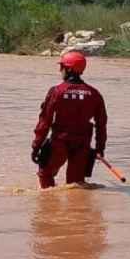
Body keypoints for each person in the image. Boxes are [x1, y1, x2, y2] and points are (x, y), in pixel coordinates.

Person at [31, 51, 108, 188]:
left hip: (60, 142)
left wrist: (36, 145)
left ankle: (48, 206)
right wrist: (99, 148)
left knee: (45, 174)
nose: (60, 70)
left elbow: (45, 121)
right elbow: (101, 124)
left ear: (69, 69)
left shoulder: (57, 91)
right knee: (75, 184)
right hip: (82, 144)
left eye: (62, 67)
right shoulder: (94, 93)